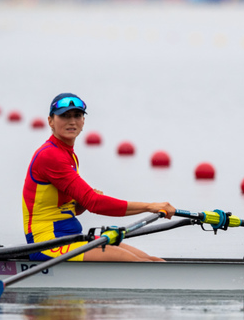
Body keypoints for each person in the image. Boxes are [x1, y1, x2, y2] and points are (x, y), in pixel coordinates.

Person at [22, 92, 175, 262]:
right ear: (50, 121)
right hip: (47, 244)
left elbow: (69, 209)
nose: (72, 121)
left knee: (152, 260)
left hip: (70, 237)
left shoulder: (67, 154)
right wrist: (150, 206)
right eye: (64, 116)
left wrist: (80, 205)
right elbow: (95, 203)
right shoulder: (49, 155)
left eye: (77, 115)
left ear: (83, 121)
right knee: (140, 264)